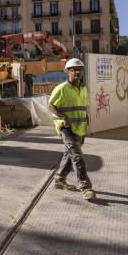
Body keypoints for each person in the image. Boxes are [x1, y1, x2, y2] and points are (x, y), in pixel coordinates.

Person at [49, 58, 96, 201]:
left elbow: (83, 110)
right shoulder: (62, 88)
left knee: (69, 155)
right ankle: (85, 187)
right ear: (67, 72)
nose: (77, 72)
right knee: (77, 157)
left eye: (79, 69)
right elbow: (51, 106)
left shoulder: (83, 89)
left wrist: (88, 124)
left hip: (80, 129)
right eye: (73, 69)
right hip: (66, 129)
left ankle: (59, 179)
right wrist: (64, 118)